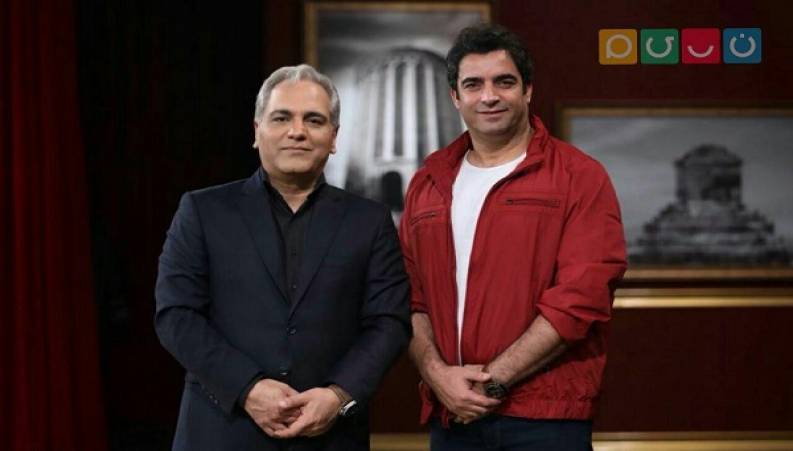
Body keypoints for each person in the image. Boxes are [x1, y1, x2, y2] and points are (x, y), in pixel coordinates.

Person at [155, 64, 411, 451]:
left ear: (334, 137)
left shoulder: (370, 221)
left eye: (314, 120)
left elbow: (389, 322)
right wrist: (247, 387)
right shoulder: (202, 211)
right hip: (221, 432)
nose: (297, 131)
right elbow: (176, 315)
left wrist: (339, 397)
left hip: (330, 436)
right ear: (257, 130)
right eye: (281, 118)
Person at [400, 25, 627, 450]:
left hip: (544, 420)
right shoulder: (427, 183)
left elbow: (581, 298)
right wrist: (437, 376)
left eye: (504, 82)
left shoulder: (579, 176)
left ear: (527, 90)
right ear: (455, 96)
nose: (489, 96)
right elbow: (410, 299)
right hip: (452, 416)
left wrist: (491, 382)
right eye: (473, 85)